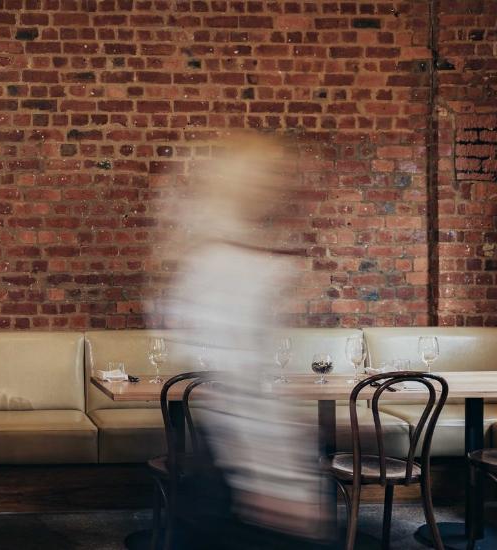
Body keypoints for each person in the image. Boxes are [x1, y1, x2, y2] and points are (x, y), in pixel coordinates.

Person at [156, 132, 335, 549]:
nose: (279, 187)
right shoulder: (228, 264)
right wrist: (275, 480)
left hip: (230, 464)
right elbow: (239, 387)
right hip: (245, 475)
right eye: (270, 175)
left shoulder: (212, 252)